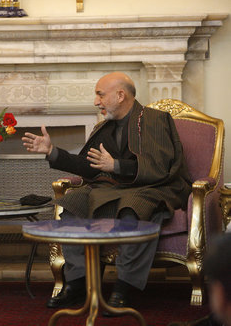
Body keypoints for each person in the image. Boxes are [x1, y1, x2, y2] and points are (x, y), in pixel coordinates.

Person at [22, 72, 191, 314]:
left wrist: (117, 166)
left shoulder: (154, 119)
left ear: (120, 95)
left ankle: (124, 288)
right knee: (72, 204)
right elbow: (87, 166)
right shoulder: (104, 127)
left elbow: (161, 166)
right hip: (112, 189)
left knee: (133, 208)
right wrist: (52, 152)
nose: (95, 101)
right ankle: (77, 284)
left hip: (153, 187)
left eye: (100, 95)